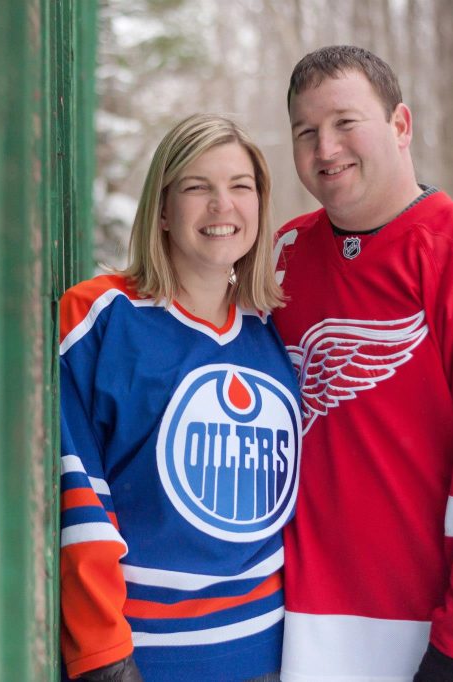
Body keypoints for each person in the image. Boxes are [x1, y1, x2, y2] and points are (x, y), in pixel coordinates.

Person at [271, 45, 453, 682]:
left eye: (346, 123)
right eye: (306, 132)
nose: (326, 149)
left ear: (402, 126)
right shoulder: (282, 255)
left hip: (426, 638)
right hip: (296, 631)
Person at [58, 114, 303, 682]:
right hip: (146, 656)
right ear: (162, 210)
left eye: (241, 187)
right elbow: (80, 497)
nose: (224, 206)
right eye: (198, 187)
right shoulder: (98, 320)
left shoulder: (271, 330)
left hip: (269, 651)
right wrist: (104, 656)